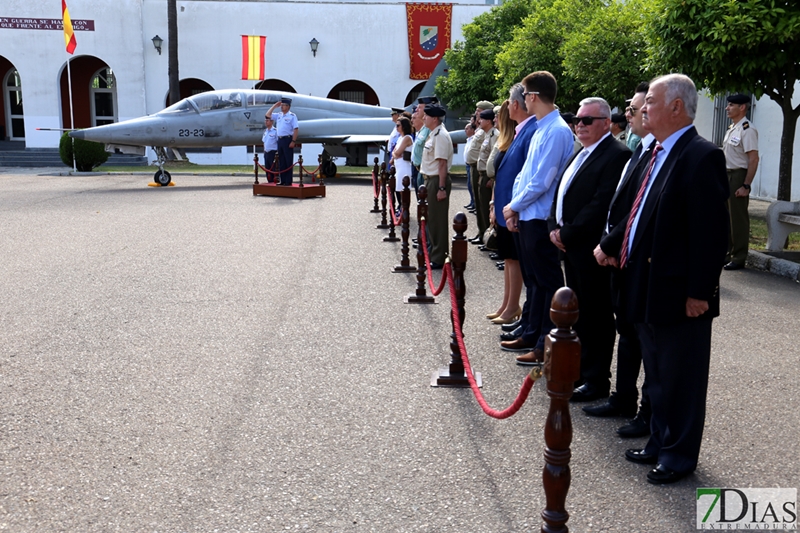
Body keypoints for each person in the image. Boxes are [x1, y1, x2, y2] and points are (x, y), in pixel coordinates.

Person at [595, 73, 729, 484]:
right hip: (645, 281)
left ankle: (678, 455)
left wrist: (699, 293)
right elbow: (636, 211)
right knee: (657, 372)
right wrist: (614, 245)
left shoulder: (700, 155)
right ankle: (658, 440)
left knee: (681, 378)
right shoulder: (653, 152)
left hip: (678, 291)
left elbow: (713, 235)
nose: (642, 108)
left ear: (676, 106)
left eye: (650, 101)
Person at [547, 97, 630, 391]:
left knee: (596, 314)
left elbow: (601, 203)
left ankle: (596, 378)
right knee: (578, 313)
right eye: (577, 121)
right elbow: (562, 192)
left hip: (591, 248)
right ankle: (579, 371)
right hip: (570, 246)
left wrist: (566, 233)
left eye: (587, 121)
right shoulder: (580, 152)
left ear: (606, 123)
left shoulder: (616, 154)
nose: (579, 126)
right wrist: (553, 227)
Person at [588, 81, 654, 438]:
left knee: (643, 340)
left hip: (634, 258)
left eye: (637, 109)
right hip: (620, 254)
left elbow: (635, 212)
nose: (630, 115)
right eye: (631, 110)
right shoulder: (640, 150)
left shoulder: (649, 153)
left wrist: (610, 245)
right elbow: (620, 206)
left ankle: (646, 411)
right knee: (626, 333)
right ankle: (623, 397)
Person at [501, 71, 573, 360]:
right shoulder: (544, 127)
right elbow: (525, 175)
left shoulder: (556, 130)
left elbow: (542, 181)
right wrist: (515, 206)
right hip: (529, 213)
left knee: (546, 282)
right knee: (534, 280)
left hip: (540, 216)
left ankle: (544, 342)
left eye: (525, 95)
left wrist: (513, 205)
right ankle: (532, 334)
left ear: (532, 96)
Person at [486, 98, 526, 326]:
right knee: (508, 258)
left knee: (514, 258)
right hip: (502, 205)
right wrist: (493, 205)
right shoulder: (505, 142)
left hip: (512, 207)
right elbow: (498, 176)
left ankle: (512, 305)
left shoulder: (514, 142)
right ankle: (507, 303)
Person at [722, 93, 759, 271]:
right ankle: (727, 253)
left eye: (731, 105)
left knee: (738, 219)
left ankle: (739, 256)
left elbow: (753, 159)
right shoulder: (733, 128)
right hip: (727, 174)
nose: (727, 108)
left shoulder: (747, 129)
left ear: (742, 107)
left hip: (738, 176)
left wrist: (746, 185)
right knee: (726, 217)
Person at [419, 103, 453, 269]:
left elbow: (442, 164)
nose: (423, 118)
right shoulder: (433, 133)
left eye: (426, 116)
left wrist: (441, 188)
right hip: (430, 180)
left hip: (436, 181)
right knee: (432, 219)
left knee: (437, 221)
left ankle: (439, 257)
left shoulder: (440, 135)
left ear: (434, 118)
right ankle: (434, 252)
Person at [475, 108, 498, 248]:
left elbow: (494, 158)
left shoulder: (494, 135)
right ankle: (483, 234)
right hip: (482, 174)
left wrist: (491, 178)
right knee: (481, 206)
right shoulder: (486, 134)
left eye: (482, 119)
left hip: (487, 176)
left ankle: (490, 238)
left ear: (488, 121)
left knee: (486, 207)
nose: (479, 121)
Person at [266, 97, 299, 185]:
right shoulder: (279, 115)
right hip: (280, 140)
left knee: (288, 161)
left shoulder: (292, 116)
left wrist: (293, 141)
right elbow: (268, 115)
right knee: (281, 161)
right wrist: (274, 106)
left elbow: (296, 129)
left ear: (288, 106)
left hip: (288, 139)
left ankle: (288, 181)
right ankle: (283, 180)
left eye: (284, 105)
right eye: (281, 105)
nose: (282, 107)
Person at [391, 116, 414, 207]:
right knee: (398, 189)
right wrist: (395, 154)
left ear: (404, 126)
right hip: (399, 166)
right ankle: (401, 208)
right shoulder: (400, 137)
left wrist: (395, 154)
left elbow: (397, 152)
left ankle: (404, 210)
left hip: (404, 167)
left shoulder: (407, 138)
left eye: (398, 125)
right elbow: (395, 153)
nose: (396, 127)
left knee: (403, 190)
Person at [463, 122, 476, 211]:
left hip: (471, 165)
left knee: (471, 185)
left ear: (472, 130)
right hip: (467, 164)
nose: (465, 130)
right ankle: (472, 201)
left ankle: (474, 204)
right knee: (469, 185)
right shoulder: (468, 139)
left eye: (467, 129)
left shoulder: (474, 139)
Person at [261, 114, 278, 182]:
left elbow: (278, 142)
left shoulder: (275, 131)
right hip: (266, 153)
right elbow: (264, 142)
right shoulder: (265, 131)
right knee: (267, 169)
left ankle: (275, 182)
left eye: (267, 120)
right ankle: (269, 182)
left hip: (273, 153)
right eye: (265, 120)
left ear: (272, 121)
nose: (266, 122)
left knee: (273, 169)